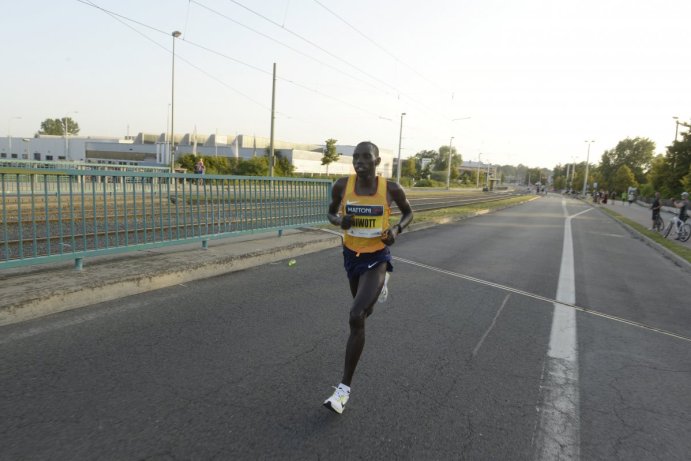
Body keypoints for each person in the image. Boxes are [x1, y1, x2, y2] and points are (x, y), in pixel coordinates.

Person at [323, 141, 413, 414]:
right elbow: (330, 212)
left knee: (356, 315)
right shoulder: (342, 185)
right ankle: (380, 288)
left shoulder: (391, 188)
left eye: (366, 157)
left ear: (377, 161)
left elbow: (409, 213)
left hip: (376, 257)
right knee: (366, 311)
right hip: (351, 257)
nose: (359, 161)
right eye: (356, 157)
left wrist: (396, 231)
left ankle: (342, 391)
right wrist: (340, 222)